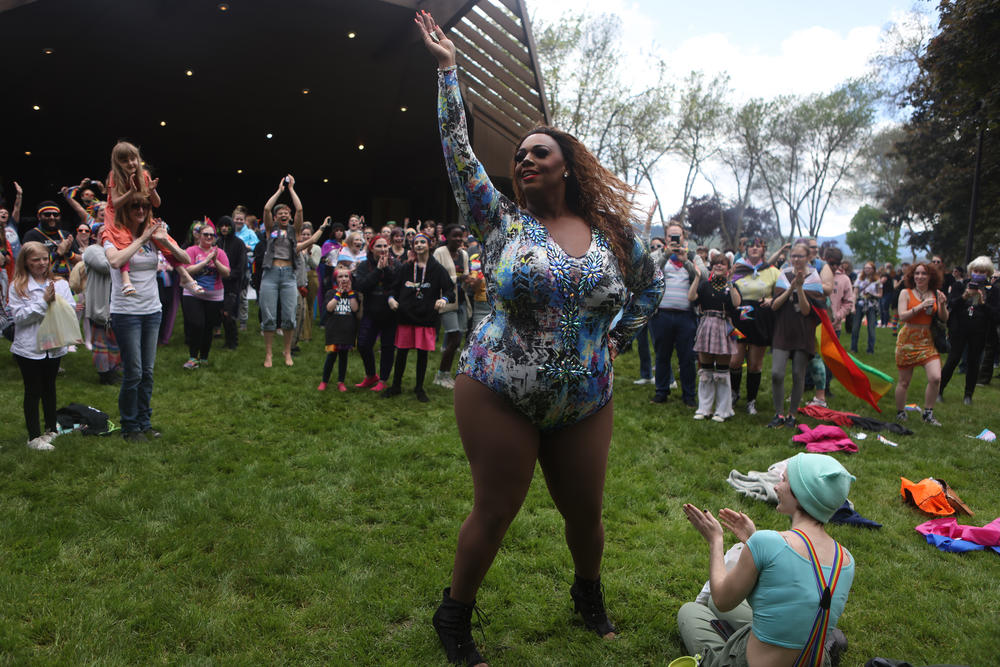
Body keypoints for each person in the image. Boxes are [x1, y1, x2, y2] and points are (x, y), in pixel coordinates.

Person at [416, 11, 664, 665]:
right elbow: (458, 152)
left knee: (585, 515)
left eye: (538, 152)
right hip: (499, 384)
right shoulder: (500, 223)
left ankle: (588, 596)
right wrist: (449, 73)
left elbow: (650, 287)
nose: (524, 158)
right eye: (519, 154)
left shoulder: (614, 234)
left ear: (565, 166)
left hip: (585, 393)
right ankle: (453, 617)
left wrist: (621, 338)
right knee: (496, 508)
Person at [678, 453, 855, 667]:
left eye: (784, 481)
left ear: (800, 494)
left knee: (691, 611)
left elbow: (722, 600)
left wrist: (715, 541)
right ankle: (828, 641)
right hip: (811, 659)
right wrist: (753, 541)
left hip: (749, 662)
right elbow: (789, 593)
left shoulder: (767, 543)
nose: (777, 487)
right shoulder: (845, 559)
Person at [103, 194, 190, 442]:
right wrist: (141, 238)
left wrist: (165, 242)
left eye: (145, 205)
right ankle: (130, 426)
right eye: (135, 205)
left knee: (148, 372)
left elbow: (184, 259)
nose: (141, 209)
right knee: (134, 372)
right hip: (126, 313)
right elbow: (116, 260)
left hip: (152, 311)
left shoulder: (155, 236)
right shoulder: (112, 235)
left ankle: (144, 422)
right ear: (125, 209)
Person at [7, 241, 77, 450]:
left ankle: (50, 429)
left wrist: (59, 304)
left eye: (44, 259)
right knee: (33, 390)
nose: (41, 263)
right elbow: (19, 317)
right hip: (29, 347)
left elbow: (70, 310)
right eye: (35, 259)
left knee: (49, 387)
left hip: (53, 345)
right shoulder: (18, 286)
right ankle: (33, 436)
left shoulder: (60, 284)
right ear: (26, 261)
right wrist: (43, 303)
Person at [383, 232, 454, 402]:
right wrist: (391, 299)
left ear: (429, 245)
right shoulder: (406, 267)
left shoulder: (437, 269)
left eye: (423, 242)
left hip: (426, 318)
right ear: (413, 246)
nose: (420, 245)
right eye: (417, 243)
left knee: (422, 355)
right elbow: (392, 288)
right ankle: (396, 386)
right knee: (401, 353)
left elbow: (451, 290)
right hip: (405, 317)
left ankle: (419, 388)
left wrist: (443, 299)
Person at [767, 241, 824, 429]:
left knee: (798, 374)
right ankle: (778, 413)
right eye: (794, 256)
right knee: (777, 373)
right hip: (783, 330)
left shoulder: (815, 279)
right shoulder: (784, 274)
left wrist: (800, 288)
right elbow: (775, 305)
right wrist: (791, 287)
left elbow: (807, 311)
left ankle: (792, 414)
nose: (796, 259)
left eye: (800, 256)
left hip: (803, 331)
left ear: (808, 258)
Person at [650, 221, 705, 406]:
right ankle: (661, 392)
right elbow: (648, 271)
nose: (674, 239)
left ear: (684, 237)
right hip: (662, 314)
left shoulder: (692, 256)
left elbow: (703, 276)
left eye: (678, 236)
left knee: (687, 357)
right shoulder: (658, 255)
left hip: (686, 316)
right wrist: (666, 255)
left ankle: (689, 396)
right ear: (666, 238)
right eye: (670, 236)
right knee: (662, 355)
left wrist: (686, 262)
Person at [728, 239, 779, 415]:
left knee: (755, 365)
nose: (755, 248)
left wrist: (772, 300)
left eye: (759, 246)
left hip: (761, 320)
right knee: (734, 361)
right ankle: (734, 393)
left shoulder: (772, 272)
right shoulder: (738, 269)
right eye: (751, 246)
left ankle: (751, 401)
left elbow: (783, 293)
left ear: (764, 250)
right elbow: (727, 288)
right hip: (739, 319)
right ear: (746, 249)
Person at [259, 174, 305, 368]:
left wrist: (292, 189)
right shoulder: (271, 229)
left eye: (287, 212)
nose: (284, 214)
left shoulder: (295, 230)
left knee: (288, 315)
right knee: (268, 315)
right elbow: (267, 208)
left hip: (288, 276)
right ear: (276, 217)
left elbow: (300, 209)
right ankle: (268, 354)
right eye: (281, 213)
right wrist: (280, 191)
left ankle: (287, 351)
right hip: (270, 274)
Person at [894, 261, 948, 425]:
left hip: (927, 340)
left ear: (930, 276)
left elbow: (944, 318)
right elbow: (902, 316)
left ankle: (928, 413)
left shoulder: (936, 293)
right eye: (917, 273)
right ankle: (900, 412)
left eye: (924, 273)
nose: (920, 276)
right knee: (904, 381)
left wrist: (943, 305)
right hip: (907, 340)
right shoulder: (905, 293)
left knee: (936, 378)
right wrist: (920, 306)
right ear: (912, 276)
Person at [939, 256, 997, 405]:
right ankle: (939, 390)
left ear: (988, 273)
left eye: (982, 271)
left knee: (974, 362)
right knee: (953, 359)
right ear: (971, 271)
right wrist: (964, 296)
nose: (978, 274)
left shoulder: (993, 290)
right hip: (959, 329)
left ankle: (968, 395)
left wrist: (983, 303)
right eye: (976, 271)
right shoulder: (960, 285)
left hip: (979, 331)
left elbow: (996, 314)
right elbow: (951, 304)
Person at [690, 253, 741, 421]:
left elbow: (736, 303)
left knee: (722, 372)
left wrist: (731, 281)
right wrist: (697, 277)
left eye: (723, 264)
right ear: (711, 266)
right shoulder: (705, 285)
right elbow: (691, 298)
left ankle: (723, 410)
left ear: (728, 268)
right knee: (705, 370)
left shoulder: (731, 286)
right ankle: (704, 408)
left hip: (723, 326)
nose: (719, 266)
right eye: (716, 263)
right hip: (706, 325)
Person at [353, 234, 399, 391]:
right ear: (371, 248)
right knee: (363, 345)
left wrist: (386, 268)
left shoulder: (395, 264)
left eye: (385, 246)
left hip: (390, 314)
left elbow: (396, 284)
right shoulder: (364, 266)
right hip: (371, 311)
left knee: (387, 347)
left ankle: (384, 380)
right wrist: (378, 270)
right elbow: (361, 286)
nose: (383, 249)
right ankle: (371, 375)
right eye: (379, 246)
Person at [180, 225, 230, 369]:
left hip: (214, 295)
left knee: (208, 326)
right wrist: (204, 261)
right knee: (197, 324)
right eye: (205, 234)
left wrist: (216, 261)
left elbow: (226, 273)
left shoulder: (219, 252)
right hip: (193, 293)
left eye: (211, 235)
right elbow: (187, 270)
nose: (208, 237)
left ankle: (204, 357)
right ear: (199, 236)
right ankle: (192, 357)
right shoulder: (191, 251)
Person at [433, 223, 472, 389]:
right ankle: (441, 375)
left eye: (460, 236)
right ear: (446, 237)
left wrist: (470, 280)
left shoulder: (463, 254)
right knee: (454, 338)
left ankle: (446, 374)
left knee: (458, 340)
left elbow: (467, 274)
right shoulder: (439, 253)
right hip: (447, 301)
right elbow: (435, 277)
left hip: (462, 300)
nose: (458, 239)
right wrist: (458, 279)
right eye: (454, 236)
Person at [318, 267, 360, 391]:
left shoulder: (353, 294)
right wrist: (338, 294)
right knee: (331, 356)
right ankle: (324, 380)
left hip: (347, 330)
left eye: (346, 276)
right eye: (340, 277)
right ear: (335, 279)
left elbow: (355, 309)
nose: (344, 279)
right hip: (334, 330)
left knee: (343, 357)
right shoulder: (331, 293)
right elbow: (329, 308)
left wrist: (350, 292)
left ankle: (341, 381)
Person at [216, 215, 247, 350]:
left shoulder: (239, 243)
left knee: (229, 313)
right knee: (221, 313)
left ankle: (233, 342)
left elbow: (241, 266)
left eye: (227, 225)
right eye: (221, 225)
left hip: (233, 284)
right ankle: (227, 341)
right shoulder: (217, 243)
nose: (224, 228)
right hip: (218, 285)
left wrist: (229, 275)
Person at [23, 201, 77, 279]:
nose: (52, 217)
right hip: (44, 281)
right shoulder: (31, 235)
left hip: (68, 282)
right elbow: (30, 264)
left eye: (55, 215)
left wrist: (68, 253)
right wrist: (57, 253)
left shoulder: (66, 235)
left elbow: (79, 260)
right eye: (47, 214)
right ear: (39, 216)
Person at [851, 261, 882, 354]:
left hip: (871, 304)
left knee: (871, 328)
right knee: (855, 327)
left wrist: (873, 294)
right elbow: (855, 293)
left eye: (869, 268)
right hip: (860, 304)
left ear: (873, 269)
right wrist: (853, 306)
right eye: (866, 268)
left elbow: (880, 294)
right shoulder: (859, 279)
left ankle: (870, 349)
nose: (867, 270)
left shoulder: (877, 280)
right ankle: (853, 348)